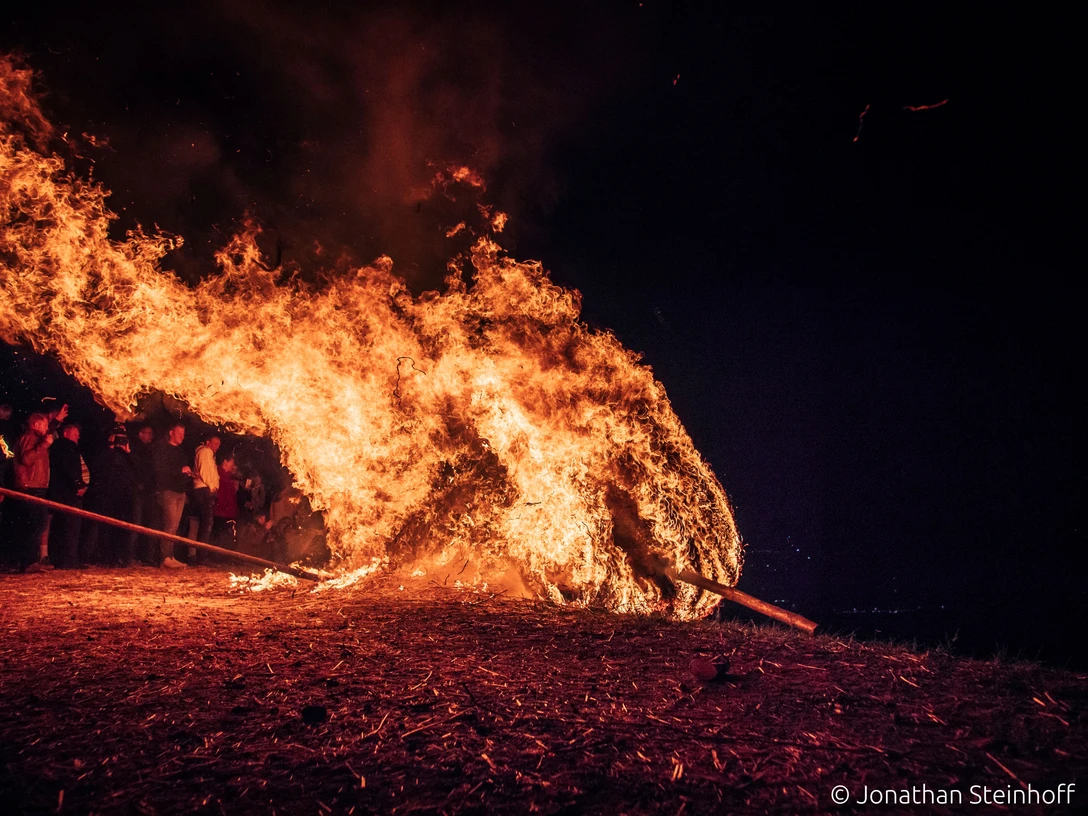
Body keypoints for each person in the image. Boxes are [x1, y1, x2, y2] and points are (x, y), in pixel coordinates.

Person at [84, 426, 139, 566]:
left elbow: (138, 471)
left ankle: (121, 557)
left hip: (125, 496)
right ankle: (107, 558)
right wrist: (110, 446)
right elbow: (97, 465)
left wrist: (128, 452)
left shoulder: (127, 455)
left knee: (123, 528)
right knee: (106, 528)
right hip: (108, 495)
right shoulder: (106, 452)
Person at [11, 413, 54, 572]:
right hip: (30, 486)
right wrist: (44, 445)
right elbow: (27, 459)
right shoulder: (29, 438)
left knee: (37, 523)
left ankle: (29, 561)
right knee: (35, 524)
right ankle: (28, 562)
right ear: (35, 425)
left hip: (36, 486)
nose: (46, 428)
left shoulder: (36, 438)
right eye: (44, 425)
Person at [47, 421, 89, 569]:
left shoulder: (59, 447)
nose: (78, 436)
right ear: (65, 433)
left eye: (78, 434)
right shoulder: (66, 446)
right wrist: (78, 484)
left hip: (59, 493)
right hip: (68, 494)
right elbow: (69, 467)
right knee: (71, 527)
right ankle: (69, 560)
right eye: (75, 433)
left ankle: (60, 559)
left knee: (62, 526)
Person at [151, 421, 192, 569]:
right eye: (179, 433)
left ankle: (170, 556)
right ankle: (164, 558)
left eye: (183, 434)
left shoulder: (181, 452)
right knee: (170, 524)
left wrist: (189, 474)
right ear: (171, 433)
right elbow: (160, 471)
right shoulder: (163, 449)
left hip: (180, 492)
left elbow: (182, 470)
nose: (182, 437)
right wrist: (180, 471)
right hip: (168, 491)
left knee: (174, 526)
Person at [128, 424, 156, 563]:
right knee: (136, 522)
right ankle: (130, 555)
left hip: (148, 491)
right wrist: (139, 483)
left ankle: (144, 556)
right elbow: (136, 468)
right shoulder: (135, 448)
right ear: (140, 433)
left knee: (147, 524)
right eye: (148, 433)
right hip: (138, 491)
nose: (151, 436)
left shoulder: (149, 450)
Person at [191, 435, 221, 554]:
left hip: (204, 489)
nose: (216, 447)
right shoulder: (205, 452)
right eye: (214, 444)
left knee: (203, 523)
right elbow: (206, 472)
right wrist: (212, 487)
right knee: (206, 523)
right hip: (204, 489)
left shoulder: (208, 453)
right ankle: (201, 556)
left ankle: (196, 555)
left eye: (218, 445)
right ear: (208, 442)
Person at [212, 454, 240, 547]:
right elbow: (220, 491)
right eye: (232, 462)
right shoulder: (219, 473)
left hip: (228, 511)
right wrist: (224, 505)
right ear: (225, 461)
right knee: (219, 534)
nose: (233, 465)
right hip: (222, 511)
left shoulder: (228, 476)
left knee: (225, 535)